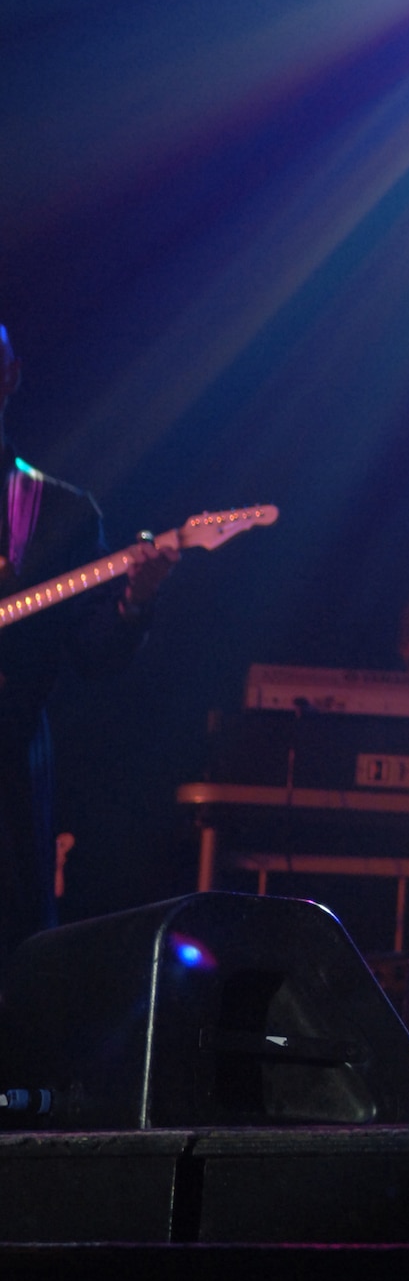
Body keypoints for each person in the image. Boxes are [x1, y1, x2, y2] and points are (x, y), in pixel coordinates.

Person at [0, 324, 174, 963]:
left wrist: (135, 600)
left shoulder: (59, 513)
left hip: (9, 768)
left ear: (10, 377)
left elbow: (95, 654)